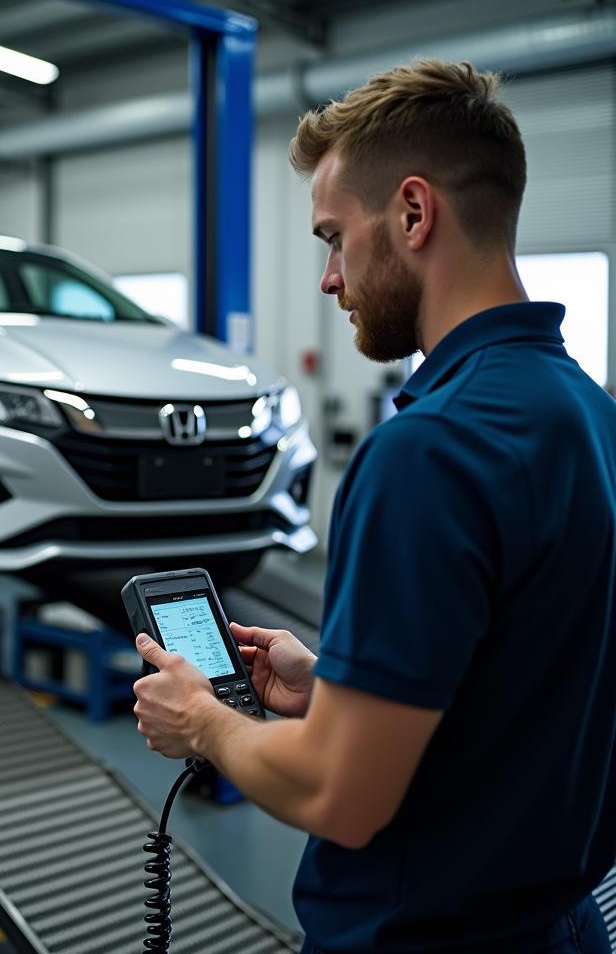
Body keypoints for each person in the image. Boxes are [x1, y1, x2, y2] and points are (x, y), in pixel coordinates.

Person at [132, 59, 616, 953]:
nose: (328, 277)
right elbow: (526, 689)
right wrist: (335, 687)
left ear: (413, 213)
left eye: (332, 237)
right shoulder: (590, 415)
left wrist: (204, 720)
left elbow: (338, 797)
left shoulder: (427, 451)